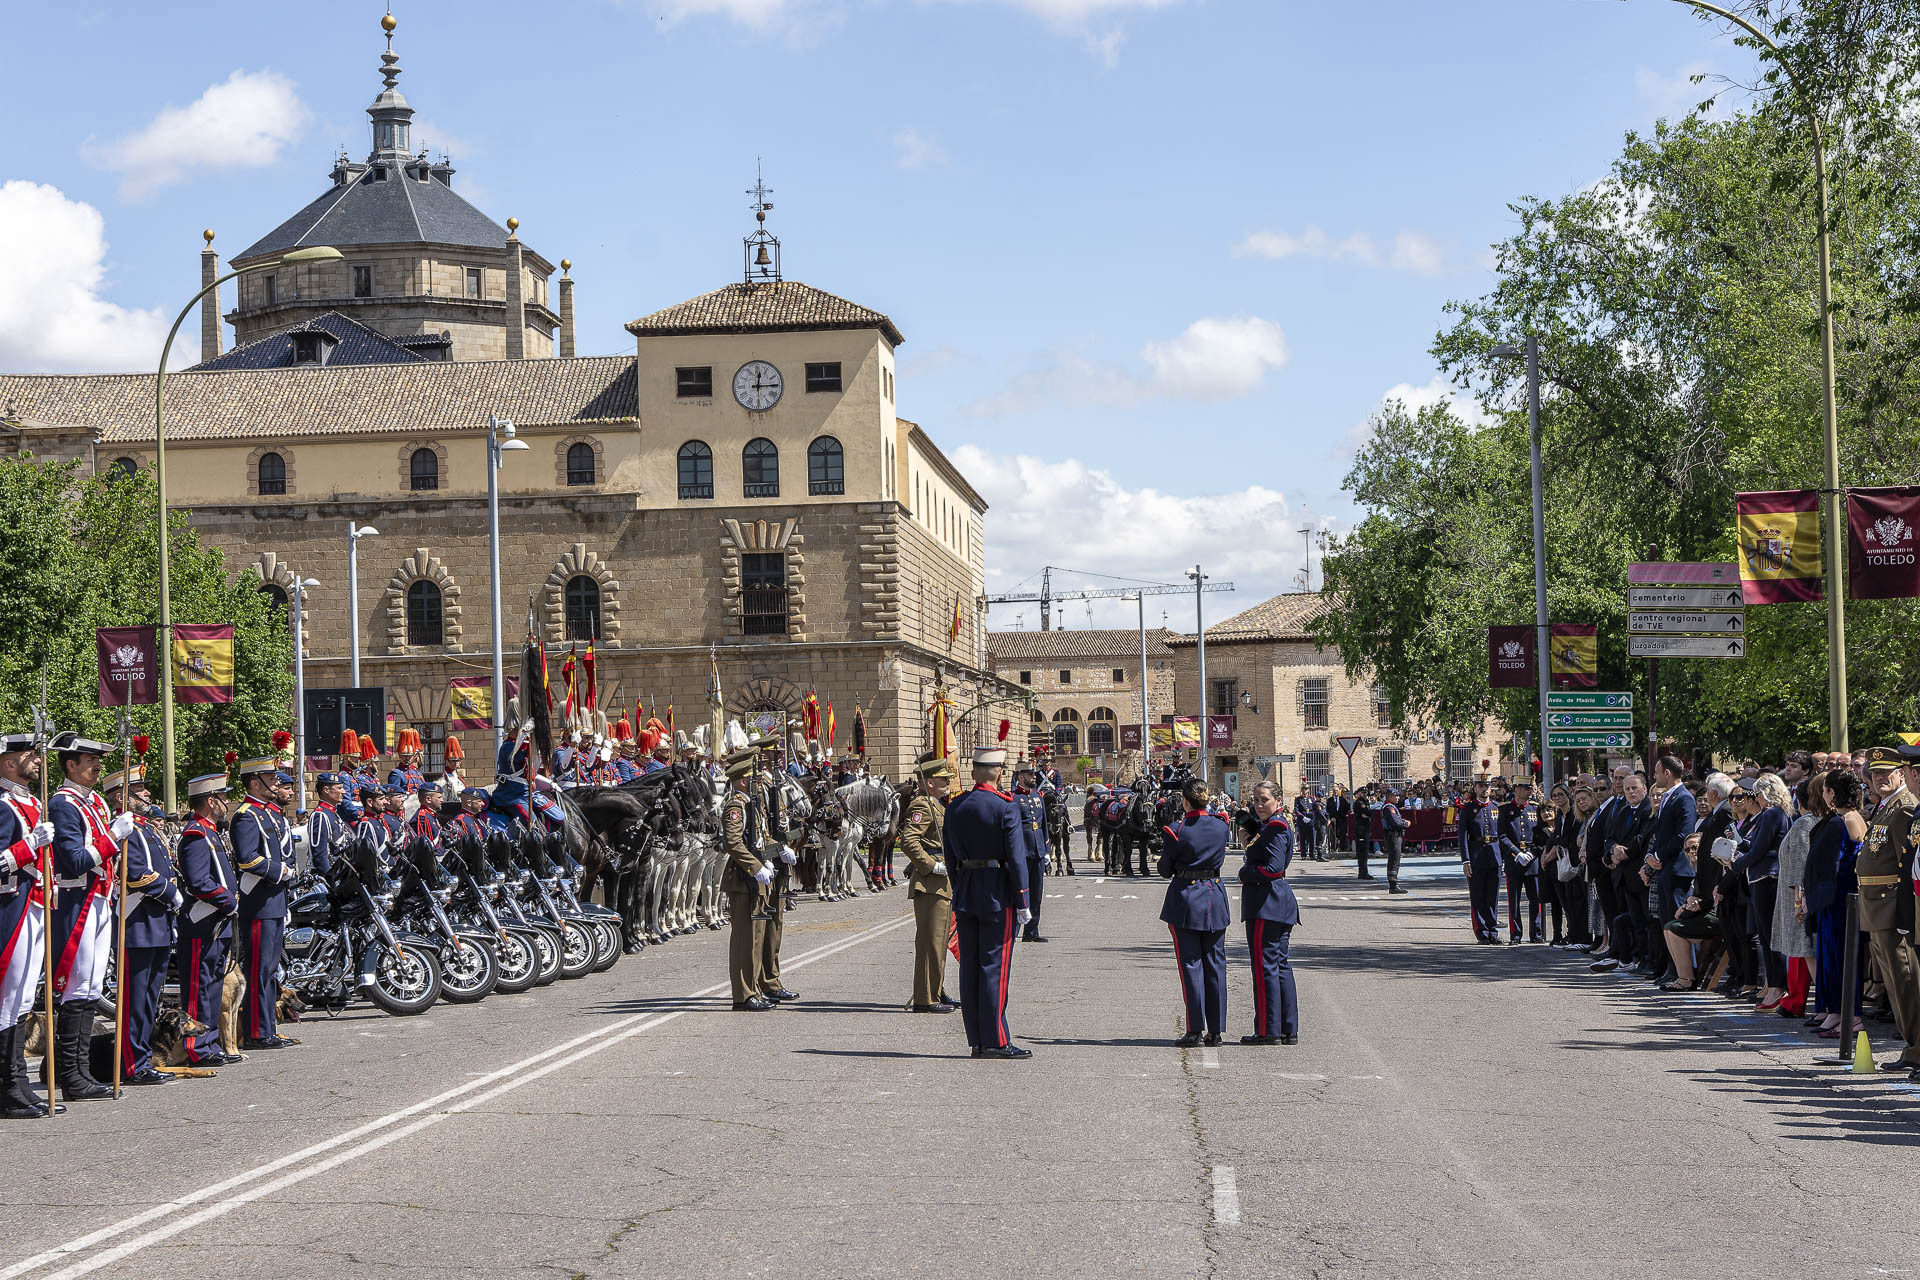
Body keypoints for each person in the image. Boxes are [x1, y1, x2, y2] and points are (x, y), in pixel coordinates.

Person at [47, 732, 125, 1103]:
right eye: (89, 760)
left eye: (98, 760)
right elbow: (74, 860)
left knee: (93, 987)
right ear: (70, 765)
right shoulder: (64, 804)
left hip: (100, 900)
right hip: (78, 902)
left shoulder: (92, 801)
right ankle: (70, 1076)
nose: (96, 766)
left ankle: (81, 1072)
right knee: (77, 988)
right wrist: (113, 836)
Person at [942, 746, 1031, 1060]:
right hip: (997, 893)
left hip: (966, 891)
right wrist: (1023, 900)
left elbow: (950, 856)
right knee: (994, 968)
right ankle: (996, 1040)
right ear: (998, 771)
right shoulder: (1006, 807)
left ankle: (977, 1040)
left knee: (970, 969)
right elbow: (1017, 858)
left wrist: (960, 885)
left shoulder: (955, 806)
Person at [103, 766, 178, 1087]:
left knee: (149, 999)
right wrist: (170, 892)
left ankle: (143, 1057)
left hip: (156, 924)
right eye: (140, 790)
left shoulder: (145, 828)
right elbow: (135, 873)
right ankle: (132, 1064)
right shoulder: (125, 829)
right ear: (122, 796)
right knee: (134, 1000)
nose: (147, 794)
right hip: (136, 925)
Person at [0, 730, 57, 1119]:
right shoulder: (4, 806)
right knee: (8, 999)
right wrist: (29, 845)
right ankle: (8, 1086)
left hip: (36, 904)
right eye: (28, 755)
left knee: (22, 999)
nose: (36, 760)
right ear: (7, 763)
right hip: (13, 907)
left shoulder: (32, 802)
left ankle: (19, 1081)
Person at [229, 757, 300, 1051]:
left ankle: (268, 1026)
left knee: (270, 969)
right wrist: (279, 871)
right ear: (255, 783)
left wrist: (289, 871)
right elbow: (247, 858)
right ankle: (258, 1031)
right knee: (259, 969)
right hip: (258, 901)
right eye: (271, 779)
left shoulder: (268, 814)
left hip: (274, 900)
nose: (277, 783)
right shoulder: (246, 815)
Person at [1857, 746, 1920, 1075]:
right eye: (1874, 772)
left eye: (1887, 772)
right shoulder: (1885, 807)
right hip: (1875, 905)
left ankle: (1918, 1046)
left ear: (1903, 774)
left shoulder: (1905, 807)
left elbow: (1907, 863)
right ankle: (1912, 1047)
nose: (1879, 778)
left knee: (1905, 979)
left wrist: (1905, 912)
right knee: (1896, 985)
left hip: (1893, 905)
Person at [1158, 777, 1230, 1048]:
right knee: (1216, 965)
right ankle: (1217, 1030)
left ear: (1185, 801)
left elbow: (1165, 869)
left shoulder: (1176, 829)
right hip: (1214, 896)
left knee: (1190, 964)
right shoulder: (1221, 826)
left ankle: (1194, 1029)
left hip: (1187, 899)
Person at [175, 772, 240, 1067]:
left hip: (218, 922)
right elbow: (198, 882)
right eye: (223, 798)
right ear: (211, 801)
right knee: (198, 988)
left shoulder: (211, 832)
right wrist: (228, 901)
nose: (227, 803)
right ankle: (195, 1047)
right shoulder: (195, 835)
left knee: (213, 985)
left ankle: (210, 1042)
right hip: (203, 922)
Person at [1239, 782, 1300, 1046]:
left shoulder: (1276, 827)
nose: (1259, 804)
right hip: (1275, 903)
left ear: (1277, 800)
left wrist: (1245, 872)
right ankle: (1287, 1029)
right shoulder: (1272, 826)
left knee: (1266, 968)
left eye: (1264, 799)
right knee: (1279, 966)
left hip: (1267, 904)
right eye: (1255, 800)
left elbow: (1273, 868)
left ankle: (1267, 1030)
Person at [1802, 770, 1861, 1038]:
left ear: (1832, 793)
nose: (1823, 795)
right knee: (1835, 956)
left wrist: (1811, 899)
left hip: (1838, 899)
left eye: (1825, 790)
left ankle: (1844, 1013)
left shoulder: (1842, 821)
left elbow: (1831, 866)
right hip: (1840, 897)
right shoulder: (1848, 818)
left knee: (1838, 957)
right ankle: (1837, 1011)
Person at [899, 752, 957, 1013]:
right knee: (930, 941)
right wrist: (932, 865)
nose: (948, 782)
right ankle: (925, 998)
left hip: (942, 882)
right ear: (929, 781)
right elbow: (909, 841)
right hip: (930, 882)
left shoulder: (936, 804)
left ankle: (936, 989)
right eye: (943, 779)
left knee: (939, 940)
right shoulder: (922, 806)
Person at [719, 749, 775, 1012]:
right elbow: (733, 843)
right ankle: (742, 994)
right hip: (742, 879)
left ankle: (753, 989)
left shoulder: (751, 804)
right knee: (744, 939)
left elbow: (759, 840)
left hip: (756, 878)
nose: (759, 782)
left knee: (756, 938)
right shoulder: (735, 806)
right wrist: (755, 867)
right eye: (754, 778)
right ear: (742, 780)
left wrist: (773, 854)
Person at [1774, 778, 1818, 1017]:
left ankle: (1797, 999)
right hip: (1798, 894)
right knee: (1800, 949)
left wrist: (1798, 900)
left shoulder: (1804, 823)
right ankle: (1797, 999)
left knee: (1801, 948)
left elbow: (1800, 864)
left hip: (1797, 895)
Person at [1498, 780, 1542, 944]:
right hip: (1514, 860)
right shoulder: (1505, 809)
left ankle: (1536, 933)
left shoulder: (1536, 808)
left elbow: (1541, 834)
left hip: (1532, 860)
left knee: (1535, 899)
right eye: (1525, 788)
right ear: (1516, 789)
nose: (1529, 790)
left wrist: (1532, 853)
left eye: (1530, 788)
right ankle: (1515, 934)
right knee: (1514, 901)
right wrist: (1516, 853)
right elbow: (1502, 835)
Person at [1460, 781, 1500, 943]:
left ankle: (1493, 931)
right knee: (1477, 897)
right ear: (1475, 788)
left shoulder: (1497, 807)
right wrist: (1466, 860)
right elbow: (1462, 836)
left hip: (1495, 855)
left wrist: (1503, 858)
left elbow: (1502, 834)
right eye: (1481, 786)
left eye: (1487, 786)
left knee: (1493, 897)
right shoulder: (1468, 809)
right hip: (1476, 856)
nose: (1484, 790)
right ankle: (1481, 932)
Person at [1014, 766, 1050, 943]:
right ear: (1020, 777)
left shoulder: (1037, 796)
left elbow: (1043, 825)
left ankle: (1031, 931)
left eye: (1034, 774)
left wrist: (1047, 850)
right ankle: (1013, 931)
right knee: (1020, 891)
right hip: (1022, 850)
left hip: (1037, 850)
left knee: (1036, 893)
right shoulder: (1013, 798)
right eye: (1030, 774)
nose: (1033, 777)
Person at [308, 772, 349, 877]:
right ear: (326, 790)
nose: (343, 792)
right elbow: (319, 854)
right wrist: (329, 878)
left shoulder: (332, 813)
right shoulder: (320, 815)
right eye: (339, 788)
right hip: (330, 875)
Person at [1378, 786, 1409, 895]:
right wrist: (1405, 823)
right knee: (1394, 860)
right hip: (1393, 835)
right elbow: (1395, 822)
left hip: (1395, 835)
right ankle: (1393, 885)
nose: (1398, 798)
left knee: (1396, 859)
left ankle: (1394, 883)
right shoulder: (1388, 807)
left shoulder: (1392, 806)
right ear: (1390, 796)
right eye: (1396, 796)